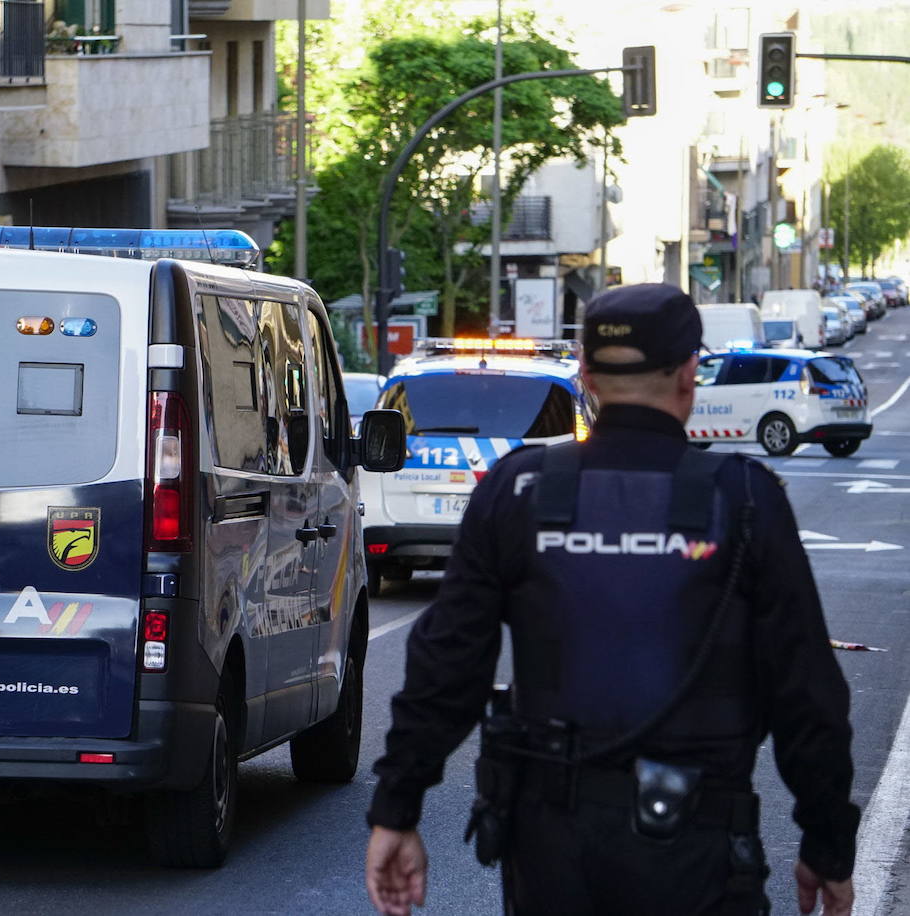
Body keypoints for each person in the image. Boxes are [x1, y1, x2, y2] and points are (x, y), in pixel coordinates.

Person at [365, 283, 858, 916]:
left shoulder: (519, 491)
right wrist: (828, 842)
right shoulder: (742, 499)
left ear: (587, 376)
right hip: (698, 847)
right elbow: (807, 691)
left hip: (551, 851)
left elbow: (447, 664)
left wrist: (397, 809)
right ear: (688, 376)